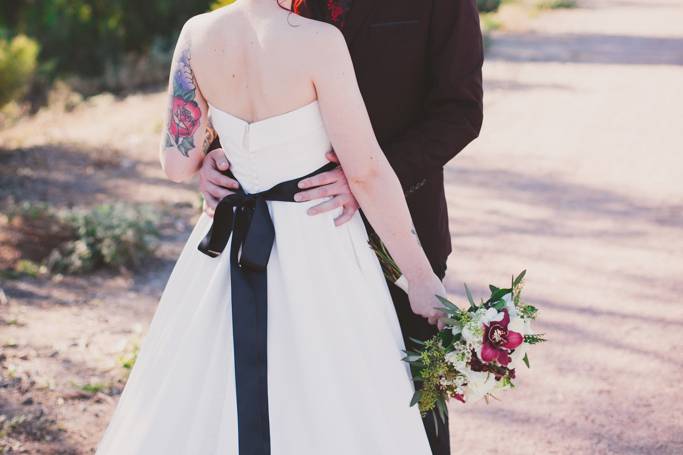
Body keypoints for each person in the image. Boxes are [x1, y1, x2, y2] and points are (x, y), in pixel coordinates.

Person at [94, 1, 475, 454]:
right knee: (354, 399)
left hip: (236, 242)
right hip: (322, 239)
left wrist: (226, 148)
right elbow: (366, 173)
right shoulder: (317, 38)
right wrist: (420, 277)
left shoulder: (196, 33)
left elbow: (177, 161)